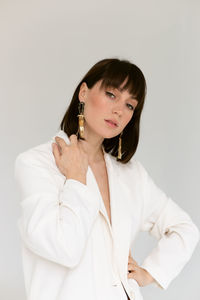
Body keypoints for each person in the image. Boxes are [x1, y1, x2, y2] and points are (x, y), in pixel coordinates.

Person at [14, 58, 199, 300]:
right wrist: (77, 179)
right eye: (111, 94)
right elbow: (65, 249)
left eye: (130, 105)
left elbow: (184, 229)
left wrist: (151, 272)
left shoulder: (131, 175)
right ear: (83, 92)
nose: (119, 111)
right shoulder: (37, 164)